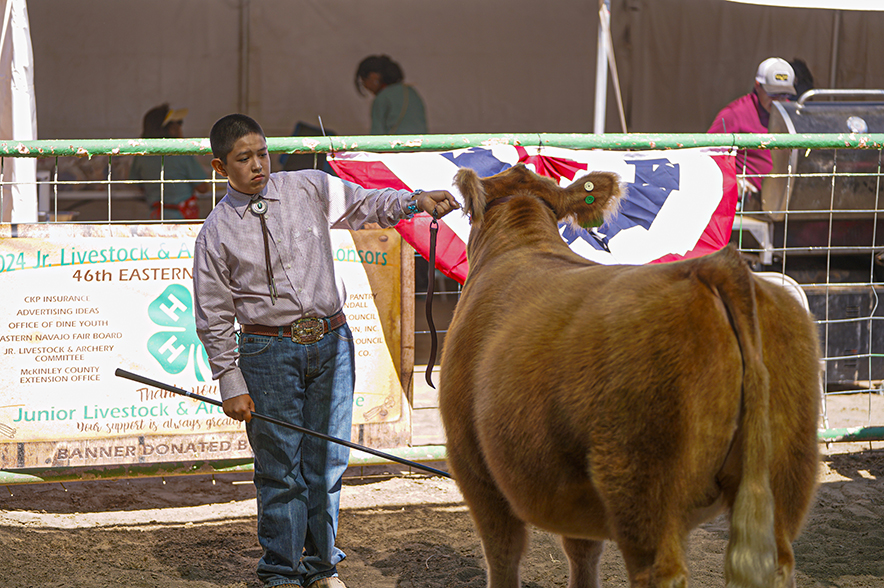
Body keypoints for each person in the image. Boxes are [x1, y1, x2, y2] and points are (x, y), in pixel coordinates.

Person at [193, 113, 458, 588]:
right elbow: (213, 314)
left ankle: (320, 567)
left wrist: (414, 200)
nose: (258, 165)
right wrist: (230, 380)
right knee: (280, 467)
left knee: (327, 460)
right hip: (266, 351)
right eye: (244, 159)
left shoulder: (308, 186)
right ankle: (281, 571)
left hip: (332, 340)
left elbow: (365, 203)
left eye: (262, 154)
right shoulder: (215, 232)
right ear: (220, 167)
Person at [707, 57, 796, 199]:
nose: (778, 100)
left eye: (784, 94)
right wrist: (732, 180)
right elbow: (708, 154)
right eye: (772, 93)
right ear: (757, 85)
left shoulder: (793, 114)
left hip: (785, 195)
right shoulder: (734, 114)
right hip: (748, 199)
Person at [129, 103, 209, 219]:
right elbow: (203, 188)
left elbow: (136, 183)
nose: (180, 127)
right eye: (179, 123)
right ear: (171, 129)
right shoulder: (183, 153)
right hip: (182, 219)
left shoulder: (141, 155)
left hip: (155, 217)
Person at [355, 55, 428, 135]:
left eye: (364, 81)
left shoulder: (382, 97)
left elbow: (377, 135)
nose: (366, 86)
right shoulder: (411, 92)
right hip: (420, 142)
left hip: (396, 142)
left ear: (373, 77)